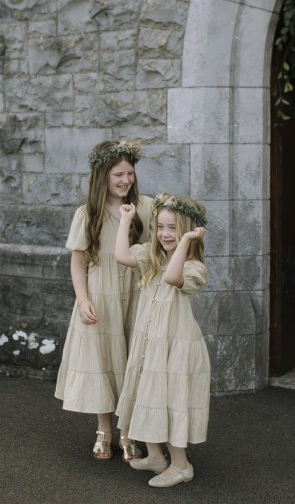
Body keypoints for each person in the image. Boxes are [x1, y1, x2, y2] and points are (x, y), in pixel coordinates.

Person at [55, 140, 153, 462]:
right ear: (103, 176)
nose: (126, 180)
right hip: (101, 295)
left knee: (132, 363)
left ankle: (128, 433)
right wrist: (83, 300)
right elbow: (78, 261)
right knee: (103, 363)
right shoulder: (88, 214)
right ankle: (104, 431)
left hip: (135, 296)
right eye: (118, 175)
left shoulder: (145, 208)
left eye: (130, 173)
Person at [114, 192, 210, 488]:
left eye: (174, 228)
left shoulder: (193, 268)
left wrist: (185, 242)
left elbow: (172, 277)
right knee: (148, 394)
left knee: (170, 400)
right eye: (161, 227)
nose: (165, 234)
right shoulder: (150, 259)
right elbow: (121, 255)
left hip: (175, 346)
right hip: (150, 343)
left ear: (187, 233)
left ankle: (181, 465)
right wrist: (126, 220)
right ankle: (156, 456)